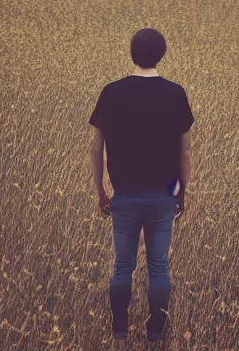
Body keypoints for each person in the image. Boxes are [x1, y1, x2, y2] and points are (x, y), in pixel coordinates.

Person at [89, 28, 194, 343]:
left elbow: (96, 148)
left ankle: (119, 331)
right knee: (159, 267)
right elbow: (184, 155)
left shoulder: (111, 92)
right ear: (161, 54)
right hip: (163, 197)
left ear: (132, 52)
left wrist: (101, 191)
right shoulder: (176, 94)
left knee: (123, 266)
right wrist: (181, 192)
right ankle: (155, 334)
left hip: (124, 197)